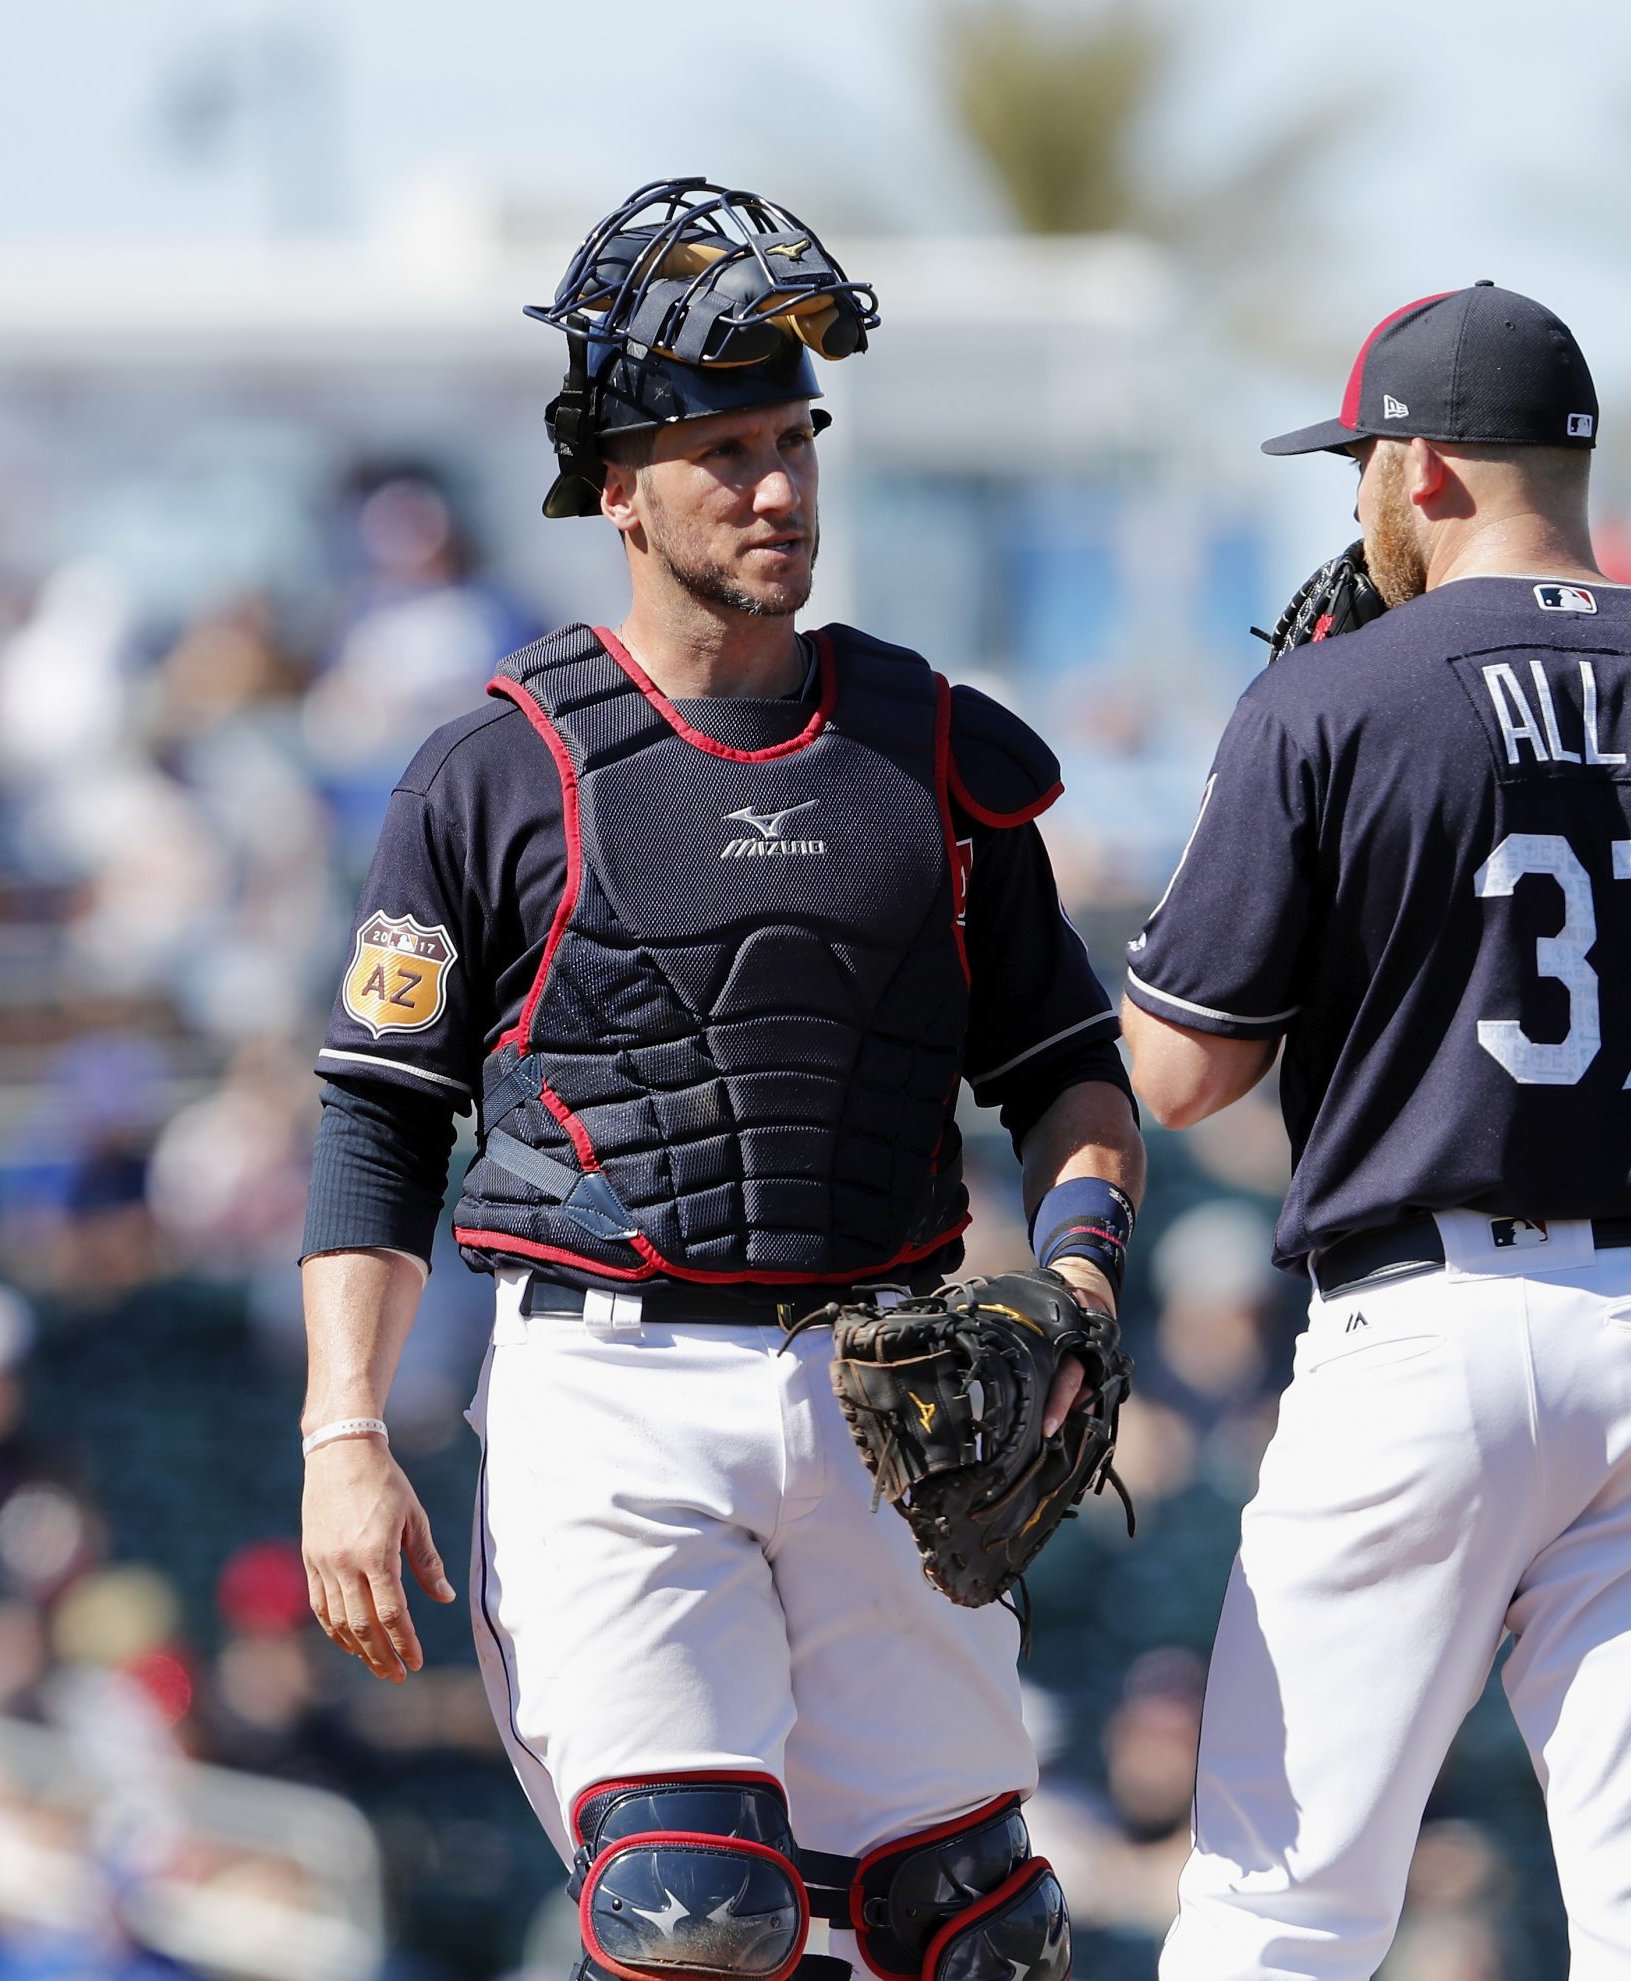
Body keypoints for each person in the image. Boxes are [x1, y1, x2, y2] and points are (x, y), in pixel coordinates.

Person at [293, 178, 1144, 1981]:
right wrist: (345, 1435)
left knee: (974, 1929)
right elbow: (378, 1124)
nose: (776, 490)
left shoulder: (933, 747)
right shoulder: (498, 769)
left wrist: (1077, 1267)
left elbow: (1072, 1072)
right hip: (613, 1391)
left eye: (793, 443)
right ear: (618, 486)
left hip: (889, 1388)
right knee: (700, 1915)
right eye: (724, 452)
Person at [1122, 282, 1631, 1979]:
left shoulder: (1338, 701)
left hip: (1421, 1323)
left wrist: (1255, 782)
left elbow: (1185, 1074)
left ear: (1419, 470)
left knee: (1285, 1897)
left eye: (1356, 466)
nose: (1352, 503)